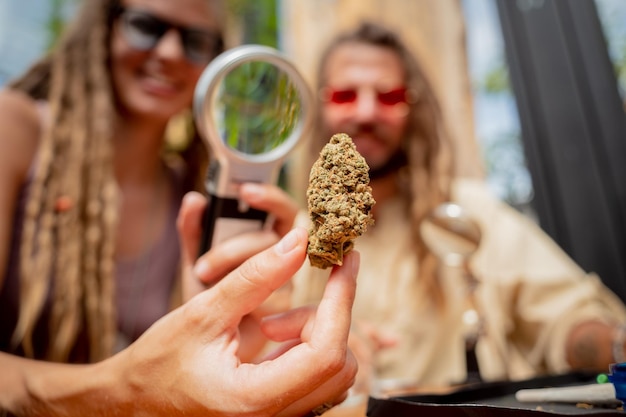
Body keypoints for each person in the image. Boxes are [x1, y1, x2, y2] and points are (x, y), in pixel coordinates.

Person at [0, 0, 358, 414]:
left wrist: (240, 333)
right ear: (103, 28)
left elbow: (185, 378)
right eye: (145, 25)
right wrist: (124, 389)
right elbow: (151, 389)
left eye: (196, 41)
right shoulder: (15, 129)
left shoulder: (191, 196)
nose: (169, 52)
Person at [287, 21, 626, 392]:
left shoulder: (470, 215)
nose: (367, 112)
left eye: (389, 97)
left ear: (413, 109)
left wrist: (612, 345)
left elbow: (569, 319)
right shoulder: (293, 237)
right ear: (321, 105)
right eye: (345, 95)